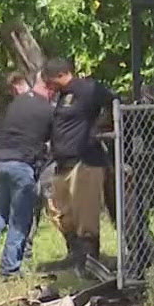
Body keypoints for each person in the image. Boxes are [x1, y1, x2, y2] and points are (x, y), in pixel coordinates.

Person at [0, 71, 52, 278]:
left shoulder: (15, 104)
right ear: (50, 87)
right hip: (22, 166)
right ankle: (10, 269)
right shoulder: (47, 110)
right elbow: (54, 141)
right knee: (20, 219)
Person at [41, 56, 115, 274]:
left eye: (50, 80)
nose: (48, 86)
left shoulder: (87, 88)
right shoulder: (62, 97)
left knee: (86, 216)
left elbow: (113, 101)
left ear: (62, 74)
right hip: (62, 164)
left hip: (85, 162)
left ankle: (91, 262)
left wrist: (102, 125)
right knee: (59, 212)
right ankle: (75, 256)